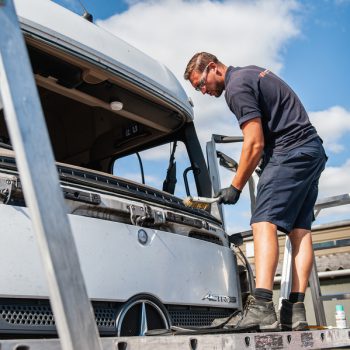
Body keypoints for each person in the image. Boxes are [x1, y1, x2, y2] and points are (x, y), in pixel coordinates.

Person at [184, 52, 327, 331]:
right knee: (300, 231)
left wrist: (236, 186)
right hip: (311, 150)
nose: (204, 91)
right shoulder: (251, 73)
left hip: (290, 151)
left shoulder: (235, 87)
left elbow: (254, 142)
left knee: (263, 223)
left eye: (201, 84)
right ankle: (295, 310)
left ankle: (262, 305)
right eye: (198, 89)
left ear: (212, 68)